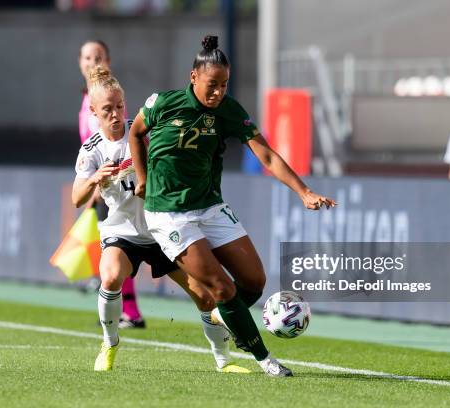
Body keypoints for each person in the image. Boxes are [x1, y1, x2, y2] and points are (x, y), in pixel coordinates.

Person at [129, 35, 336, 377]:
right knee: (222, 288)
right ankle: (265, 359)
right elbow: (136, 133)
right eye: (212, 85)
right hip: (168, 214)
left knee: (254, 281)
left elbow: (266, 154)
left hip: (209, 207)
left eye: (224, 85)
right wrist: (142, 177)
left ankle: (226, 316)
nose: (218, 92)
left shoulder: (228, 111)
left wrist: (303, 191)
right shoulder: (161, 104)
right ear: (193, 77)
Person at [72, 66, 248, 373]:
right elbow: (76, 198)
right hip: (123, 233)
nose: (115, 114)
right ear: (93, 112)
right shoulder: (92, 150)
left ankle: (224, 360)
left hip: (162, 229)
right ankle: (109, 343)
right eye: (106, 110)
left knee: (205, 296)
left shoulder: (142, 135)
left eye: (119, 107)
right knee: (111, 276)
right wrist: (94, 180)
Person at [78, 40, 144, 329]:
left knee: (121, 245)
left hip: (115, 186)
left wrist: (97, 184)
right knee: (114, 250)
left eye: (99, 57)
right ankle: (126, 310)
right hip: (99, 184)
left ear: (108, 60)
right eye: (88, 57)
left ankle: (129, 312)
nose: (93, 62)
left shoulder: (109, 100)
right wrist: (90, 181)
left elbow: (117, 146)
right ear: (80, 62)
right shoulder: (87, 99)